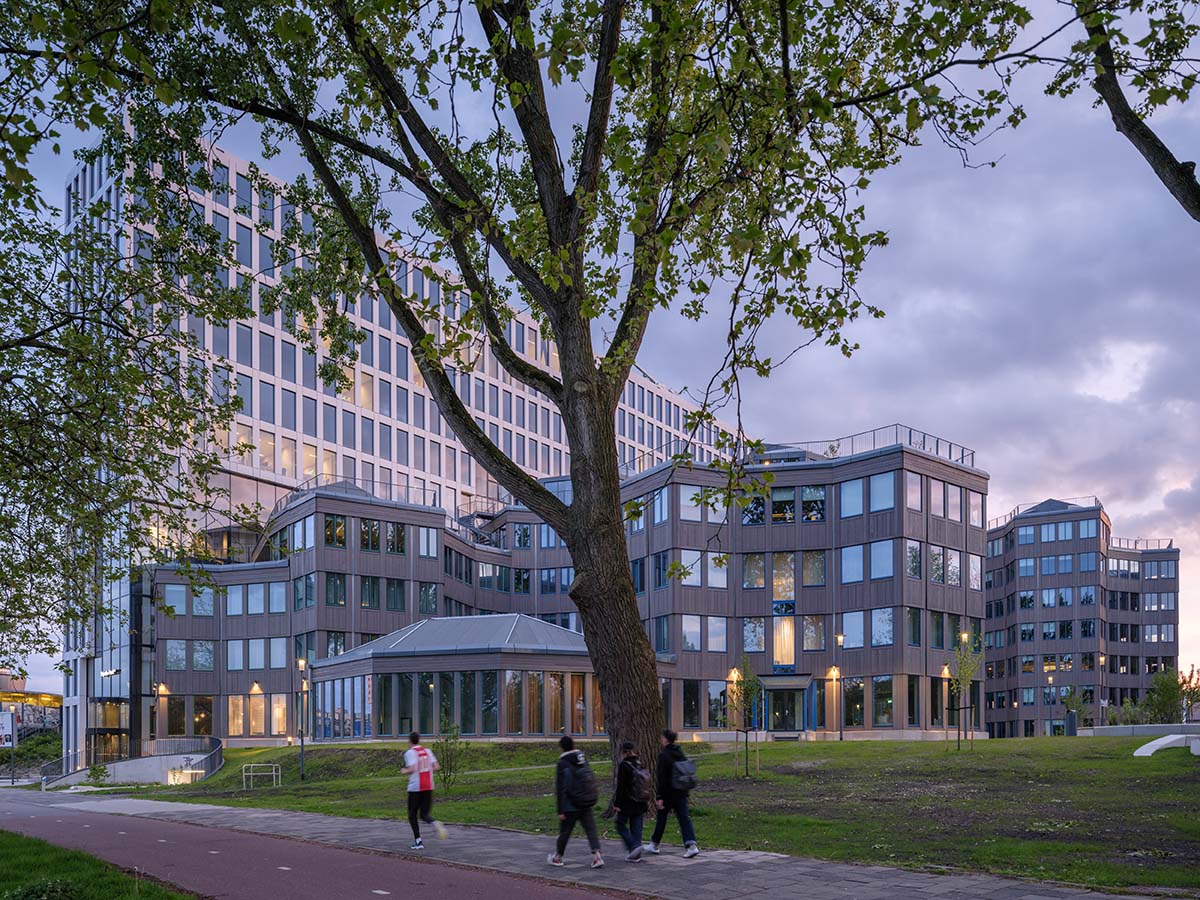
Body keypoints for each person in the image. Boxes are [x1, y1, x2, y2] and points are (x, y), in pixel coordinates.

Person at [548, 735, 604, 869]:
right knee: (591, 829)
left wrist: (560, 810)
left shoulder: (562, 763)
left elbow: (561, 787)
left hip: (570, 804)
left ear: (562, 747)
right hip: (585, 801)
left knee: (565, 832)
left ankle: (558, 857)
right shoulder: (582, 759)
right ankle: (597, 856)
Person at [645, 729, 700, 858]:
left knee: (662, 819)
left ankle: (654, 844)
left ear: (665, 739)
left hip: (668, 793)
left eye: (662, 737)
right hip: (681, 791)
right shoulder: (680, 752)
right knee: (684, 819)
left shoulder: (663, 755)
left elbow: (662, 778)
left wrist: (659, 797)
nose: (660, 739)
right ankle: (691, 845)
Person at [402, 731, 448, 850]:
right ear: (419, 740)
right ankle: (435, 823)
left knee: (412, 815)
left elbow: (412, 768)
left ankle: (418, 841)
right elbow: (437, 767)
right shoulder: (428, 751)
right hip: (428, 786)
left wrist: (404, 771)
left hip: (415, 787)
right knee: (424, 814)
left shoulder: (410, 753)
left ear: (410, 741)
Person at [610, 740, 651, 862]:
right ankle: (636, 853)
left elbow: (621, 786)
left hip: (628, 801)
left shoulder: (624, 765)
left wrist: (617, 804)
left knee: (620, 824)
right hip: (641, 800)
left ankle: (633, 846)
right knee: (636, 826)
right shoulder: (640, 763)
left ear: (623, 752)